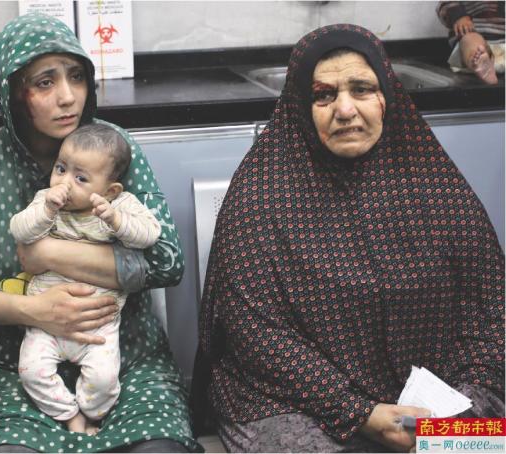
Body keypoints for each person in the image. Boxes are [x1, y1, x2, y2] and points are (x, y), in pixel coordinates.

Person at [194, 24, 504, 453]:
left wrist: (459, 406)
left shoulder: (434, 186)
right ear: (301, 107)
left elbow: (489, 311)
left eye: (361, 89)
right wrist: (362, 413)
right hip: (292, 401)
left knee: (481, 443)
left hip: (429, 396)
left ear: (386, 97)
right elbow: (258, 338)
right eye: (324, 95)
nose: (345, 109)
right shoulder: (260, 197)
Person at [0, 13, 201, 453]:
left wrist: (47, 255)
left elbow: (167, 262)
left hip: (128, 360)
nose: (67, 97)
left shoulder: (113, 147)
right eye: (45, 82)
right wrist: (35, 311)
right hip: (13, 369)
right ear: (13, 92)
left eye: (76, 77)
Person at [10, 123, 162, 435]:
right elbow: (19, 230)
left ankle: (93, 413)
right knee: (31, 371)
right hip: (46, 321)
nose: (64, 183)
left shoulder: (119, 205)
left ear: (110, 190)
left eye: (80, 178)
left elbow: (150, 234)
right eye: (61, 169)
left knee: (104, 380)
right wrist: (46, 211)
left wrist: (116, 220)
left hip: (99, 325)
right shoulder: (46, 201)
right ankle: (69, 415)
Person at [436, 1, 504, 84]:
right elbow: (446, 3)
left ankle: (483, 63)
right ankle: (480, 64)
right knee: (470, 41)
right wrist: (459, 16)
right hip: (472, 32)